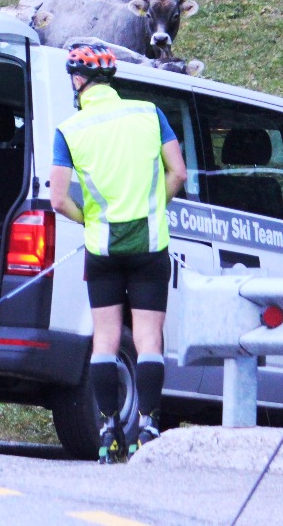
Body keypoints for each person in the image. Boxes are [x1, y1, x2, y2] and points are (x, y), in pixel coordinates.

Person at [48, 41, 187, 463]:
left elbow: (58, 199)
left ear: (78, 80)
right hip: (150, 245)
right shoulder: (149, 113)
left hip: (102, 249)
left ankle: (108, 431)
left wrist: (89, 221)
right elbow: (178, 172)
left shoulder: (69, 130)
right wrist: (154, 208)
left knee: (105, 340)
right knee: (148, 339)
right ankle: (148, 426)